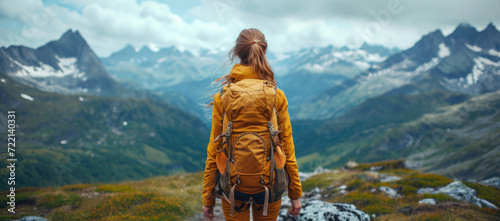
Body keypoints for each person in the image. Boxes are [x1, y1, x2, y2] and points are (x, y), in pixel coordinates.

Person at [202, 28, 302, 221]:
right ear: (263, 51)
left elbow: (214, 150)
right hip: (270, 184)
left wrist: (208, 198)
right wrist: (295, 194)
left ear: (237, 53)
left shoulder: (223, 97)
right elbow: (288, 149)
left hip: (232, 186)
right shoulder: (276, 95)